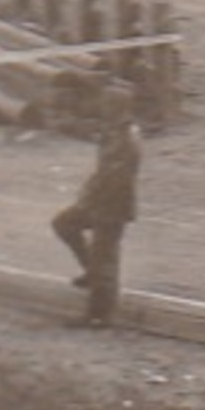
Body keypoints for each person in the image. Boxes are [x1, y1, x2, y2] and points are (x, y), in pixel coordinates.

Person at [51, 84, 143, 328]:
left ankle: (99, 316)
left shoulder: (126, 137)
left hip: (113, 204)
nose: (101, 107)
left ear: (116, 107)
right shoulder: (115, 130)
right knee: (64, 224)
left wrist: (90, 199)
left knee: (106, 259)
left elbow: (114, 177)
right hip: (100, 200)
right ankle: (91, 272)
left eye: (106, 104)